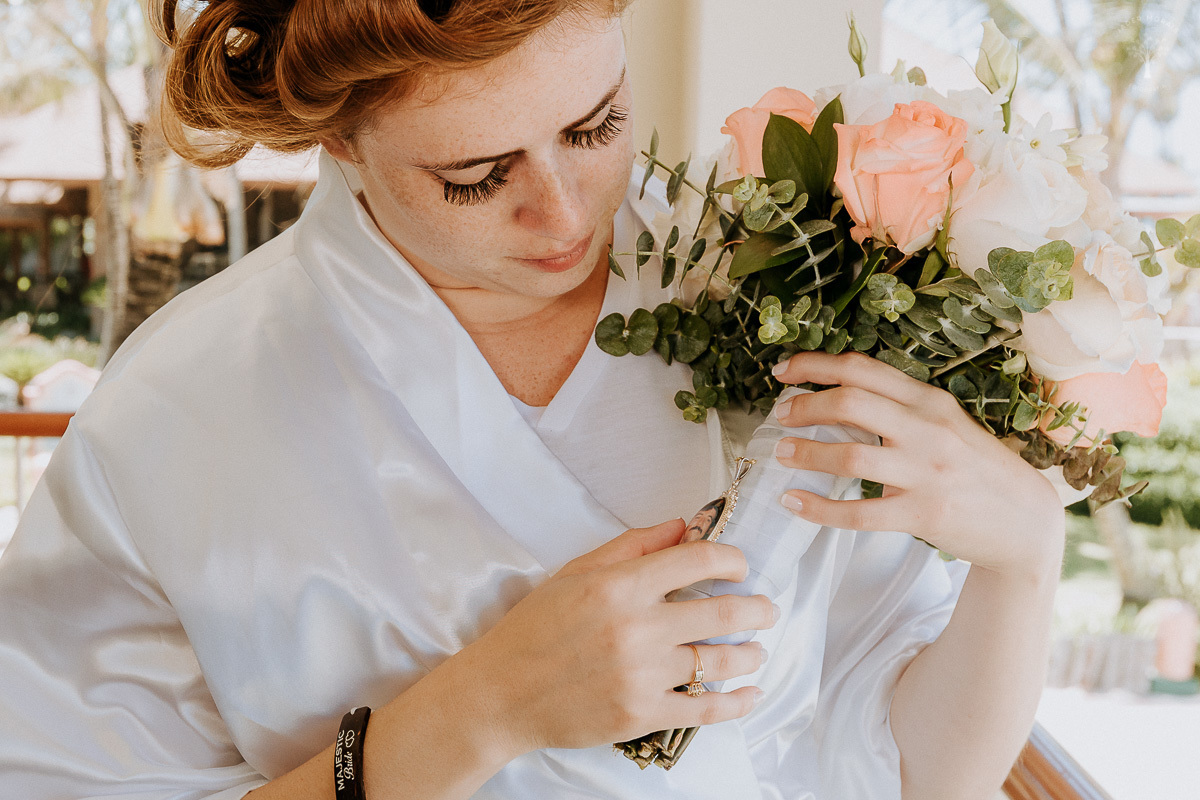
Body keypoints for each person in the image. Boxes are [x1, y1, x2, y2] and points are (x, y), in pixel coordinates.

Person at [0, 1, 1067, 798]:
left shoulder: (774, 293)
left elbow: (905, 762)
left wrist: (1023, 557)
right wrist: (481, 708)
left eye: (596, 125)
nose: (562, 210)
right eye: (473, 176)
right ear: (339, 138)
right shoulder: (181, 414)